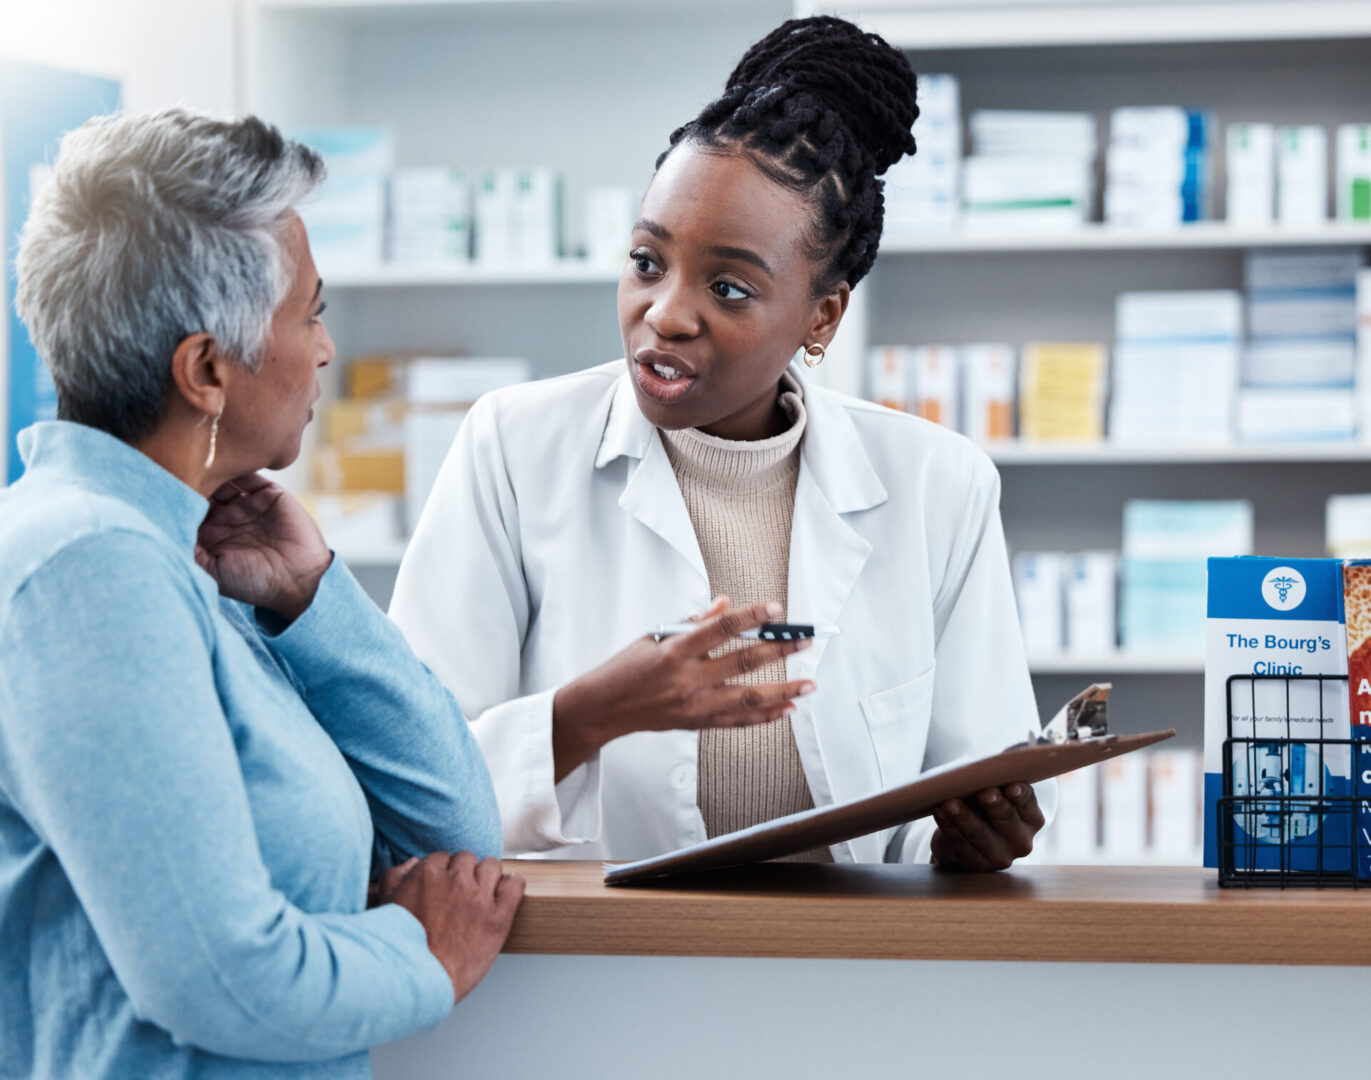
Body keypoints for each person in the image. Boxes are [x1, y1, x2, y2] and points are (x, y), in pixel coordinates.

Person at [391, 16, 1053, 870]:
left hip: (852, 978)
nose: (664, 312)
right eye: (645, 261)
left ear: (823, 315)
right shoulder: (513, 450)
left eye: (729, 286)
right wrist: (592, 712)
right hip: (586, 975)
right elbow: (407, 781)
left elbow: (979, 778)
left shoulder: (937, 483)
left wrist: (975, 841)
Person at [0, 110, 523, 1080]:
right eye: (313, 313)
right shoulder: (86, 567)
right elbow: (217, 974)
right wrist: (424, 963)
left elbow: (456, 839)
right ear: (206, 370)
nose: (327, 351)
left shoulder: (194, 558)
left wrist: (314, 601)